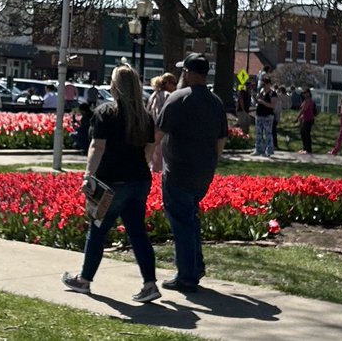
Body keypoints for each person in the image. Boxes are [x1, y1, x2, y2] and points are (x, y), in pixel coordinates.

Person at [61, 64, 160, 303]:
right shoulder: (144, 117)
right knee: (137, 233)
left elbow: (98, 146)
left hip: (110, 183)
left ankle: (84, 280)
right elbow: (149, 150)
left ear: (115, 87)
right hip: (138, 181)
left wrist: (87, 175)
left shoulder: (106, 113)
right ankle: (150, 283)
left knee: (97, 230)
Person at [155, 53, 228, 293]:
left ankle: (187, 276)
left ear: (187, 72)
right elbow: (221, 140)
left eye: (183, 71)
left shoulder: (178, 99)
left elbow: (157, 135)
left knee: (182, 224)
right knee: (191, 219)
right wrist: (211, 164)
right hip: (203, 173)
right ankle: (196, 266)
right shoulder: (216, 102)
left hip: (178, 172)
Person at [147, 72, 176, 172]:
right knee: (163, 159)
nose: (175, 86)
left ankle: (155, 178)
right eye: (173, 83)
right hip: (164, 131)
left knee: (154, 158)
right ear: (167, 83)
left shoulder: (153, 95)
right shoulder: (168, 96)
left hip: (152, 130)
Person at [253, 76, 276, 157]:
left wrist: (262, 102)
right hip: (259, 115)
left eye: (265, 83)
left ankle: (268, 150)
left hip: (268, 116)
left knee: (268, 133)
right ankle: (258, 149)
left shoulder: (272, 93)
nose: (264, 85)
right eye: (263, 83)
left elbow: (272, 105)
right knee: (258, 133)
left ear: (269, 84)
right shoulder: (261, 92)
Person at [296, 87, 316, 154]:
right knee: (302, 133)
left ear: (308, 93)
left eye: (305, 93)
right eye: (303, 93)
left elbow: (304, 109)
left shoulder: (308, 100)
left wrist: (297, 117)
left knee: (306, 134)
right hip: (304, 119)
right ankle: (305, 148)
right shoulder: (305, 100)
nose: (304, 94)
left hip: (308, 119)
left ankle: (308, 149)